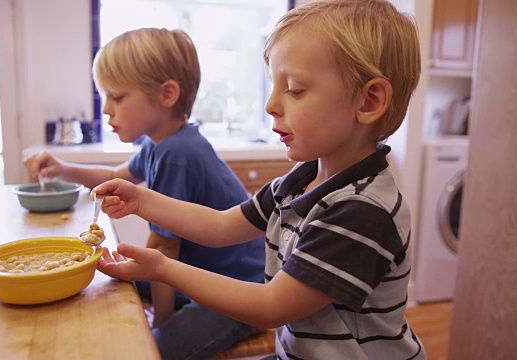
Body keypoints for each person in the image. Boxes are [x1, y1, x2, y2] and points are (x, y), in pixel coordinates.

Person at [92, 1, 427, 359]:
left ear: (369, 101)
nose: (270, 105)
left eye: (295, 89)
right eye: (273, 87)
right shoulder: (297, 184)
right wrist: (142, 201)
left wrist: (163, 268)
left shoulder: (361, 211)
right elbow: (221, 225)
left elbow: (271, 305)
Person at [23, 28, 265, 360]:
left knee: (146, 350)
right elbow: (113, 176)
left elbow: (165, 251)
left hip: (236, 294)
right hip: (198, 278)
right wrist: (62, 168)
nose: (106, 108)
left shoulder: (177, 154)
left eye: (117, 97)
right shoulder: (159, 143)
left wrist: (159, 323)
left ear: (167, 94)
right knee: (115, 284)